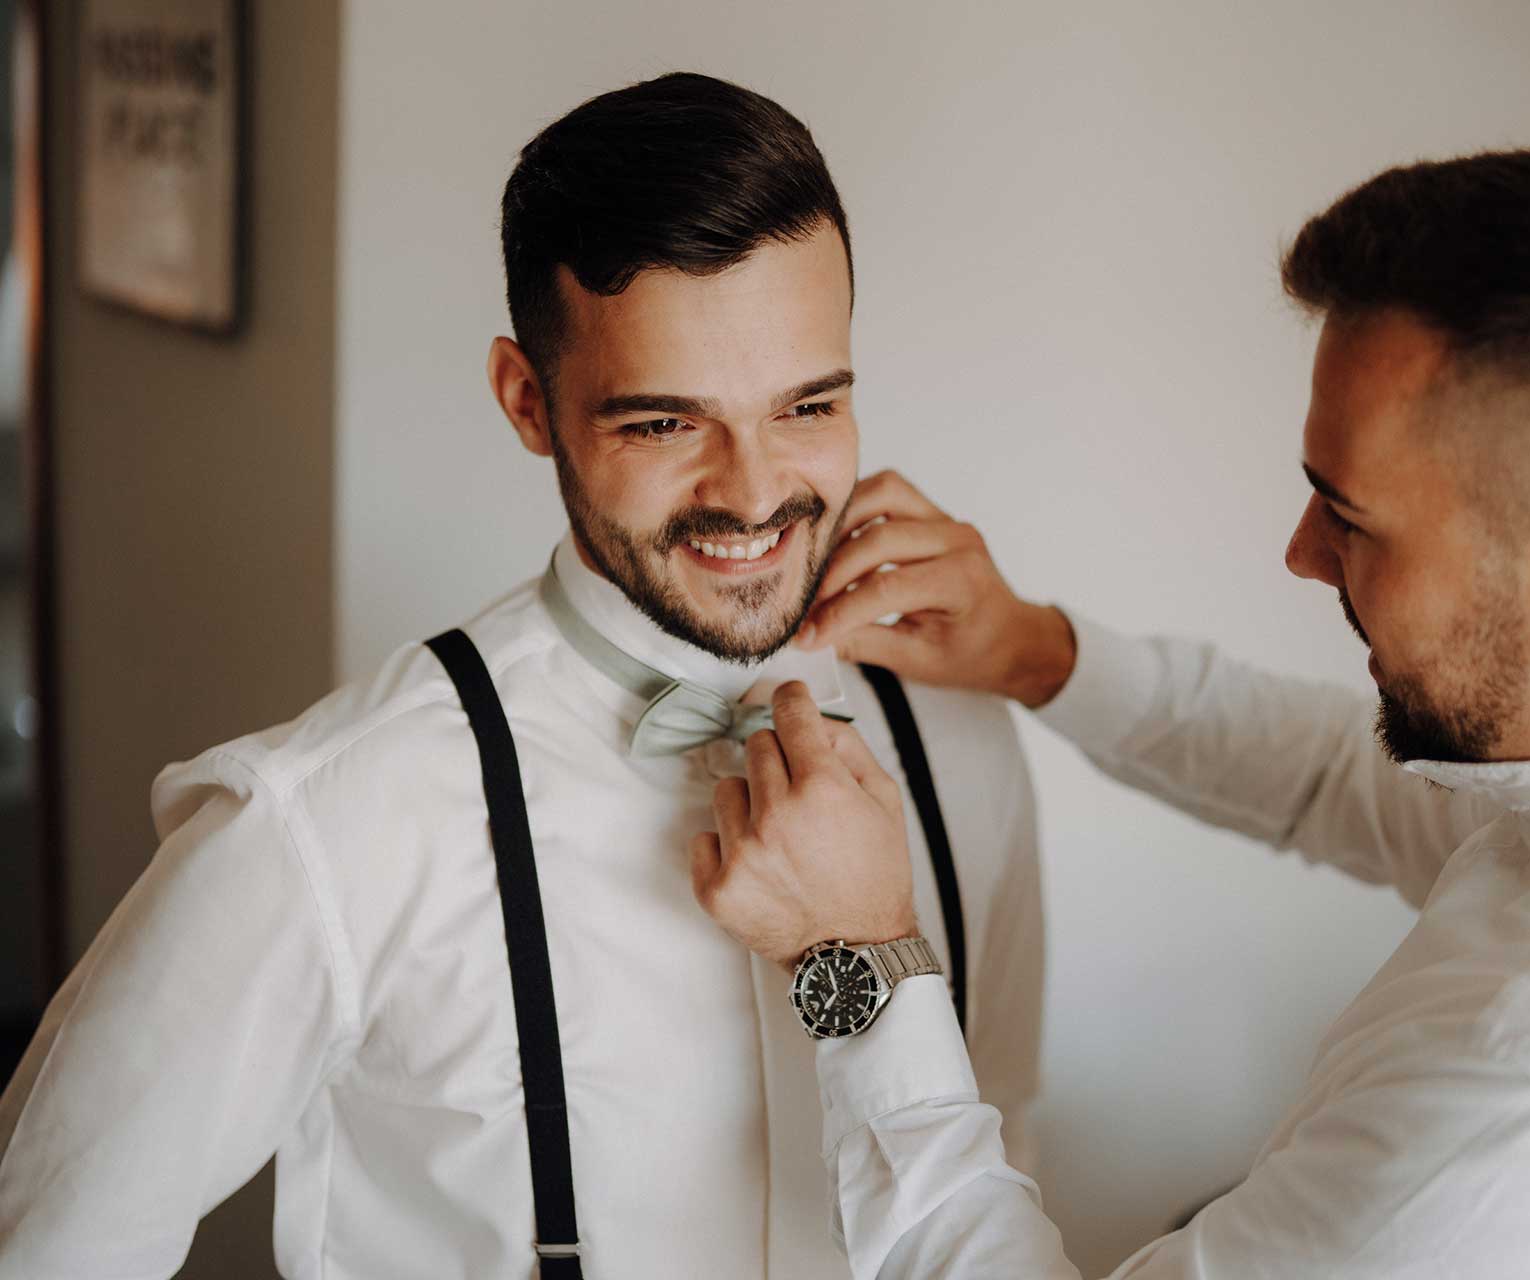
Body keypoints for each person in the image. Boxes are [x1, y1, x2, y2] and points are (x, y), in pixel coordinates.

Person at [692, 134, 1530, 1278]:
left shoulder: (1528, 1118)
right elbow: (1342, 779)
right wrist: (1038, 653)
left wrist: (851, 956)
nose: (1300, 553)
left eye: (1351, 515)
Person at [0, 73, 1044, 1279]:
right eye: (664, 423)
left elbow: (997, 1150)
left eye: (809, 404)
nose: (756, 493)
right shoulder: (329, 819)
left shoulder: (960, 731)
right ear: (525, 400)